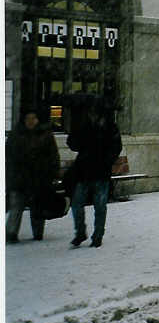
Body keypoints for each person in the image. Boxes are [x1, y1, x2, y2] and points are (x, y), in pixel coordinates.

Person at [67, 99, 122, 248]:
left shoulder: (110, 128)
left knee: (100, 205)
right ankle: (80, 232)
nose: (92, 115)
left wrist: (107, 160)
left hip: (100, 171)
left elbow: (116, 147)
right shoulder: (85, 126)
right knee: (77, 204)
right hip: (84, 171)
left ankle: (97, 235)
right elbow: (73, 144)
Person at [5, 109, 60, 243]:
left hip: (39, 177)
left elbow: (53, 156)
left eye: (33, 118)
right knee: (16, 207)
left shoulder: (45, 135)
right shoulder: (16, 136)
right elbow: (9, 157)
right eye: (28, 119)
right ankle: (11, 233)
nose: (30, 121)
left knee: (37, 206)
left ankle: (37, 232)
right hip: (20, 178)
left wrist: (52, 173)